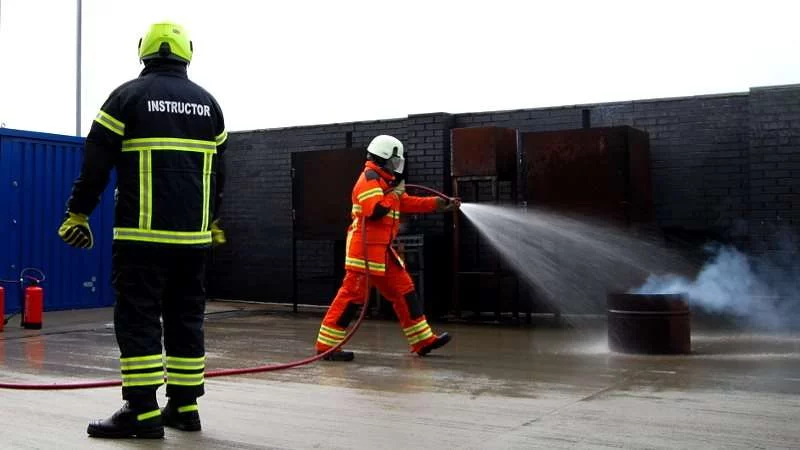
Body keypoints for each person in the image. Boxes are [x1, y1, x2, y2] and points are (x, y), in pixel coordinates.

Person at [58, 22, 227, 439]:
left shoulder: (127, 98)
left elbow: (96, 163)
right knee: (187, 317)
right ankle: (184, 407)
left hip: (142, 239)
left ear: (144, 51)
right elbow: (220, 175)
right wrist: (212, 221)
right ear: (187, 53)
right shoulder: (209, 106)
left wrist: (78, 213)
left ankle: (141, 411)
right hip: (194, 241)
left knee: (138, 317)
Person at [314, 135, 460, 361]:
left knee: (404, 292)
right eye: (395, 160)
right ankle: (327, 347)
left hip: (381, 252)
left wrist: (437, 204)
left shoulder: (384, 182)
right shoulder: (369, 179)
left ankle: (423, 341)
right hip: (364, 253)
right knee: (351, 298)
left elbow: (404, 202)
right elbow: (375, 210)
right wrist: (395, 194)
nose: (397, 165)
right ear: (384, 157)